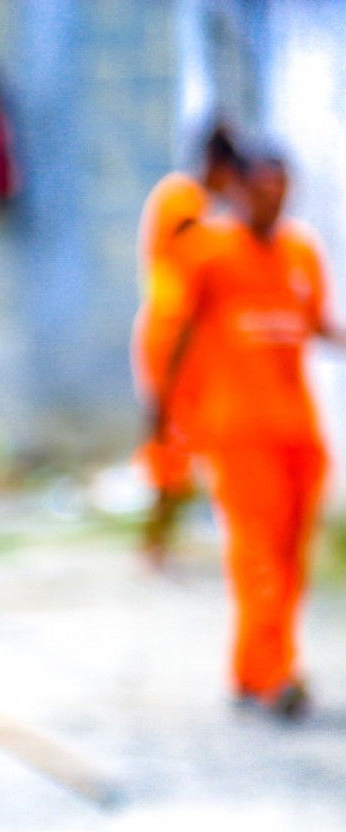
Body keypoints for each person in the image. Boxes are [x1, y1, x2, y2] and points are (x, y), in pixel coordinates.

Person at [152, 149, 334, 718]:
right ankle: (276, 675)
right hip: (237, 430)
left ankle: (249, 669)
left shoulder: (301, 251)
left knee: (289, 560)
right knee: (256, 555)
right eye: (262, 187)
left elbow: (315, 320)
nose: (273, 198)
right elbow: (175, 333)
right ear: (240, 191)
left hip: (298, 431)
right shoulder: (205, 253)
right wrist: (164, 409)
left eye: (282, 187)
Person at [130, 125, 247, 566]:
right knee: (170, 441)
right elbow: (194, 268)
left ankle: (160, 540)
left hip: (185, 338)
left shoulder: (186, 200)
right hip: (172, 337)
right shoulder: (185, 203)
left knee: (184, 442)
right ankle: (155, 542)